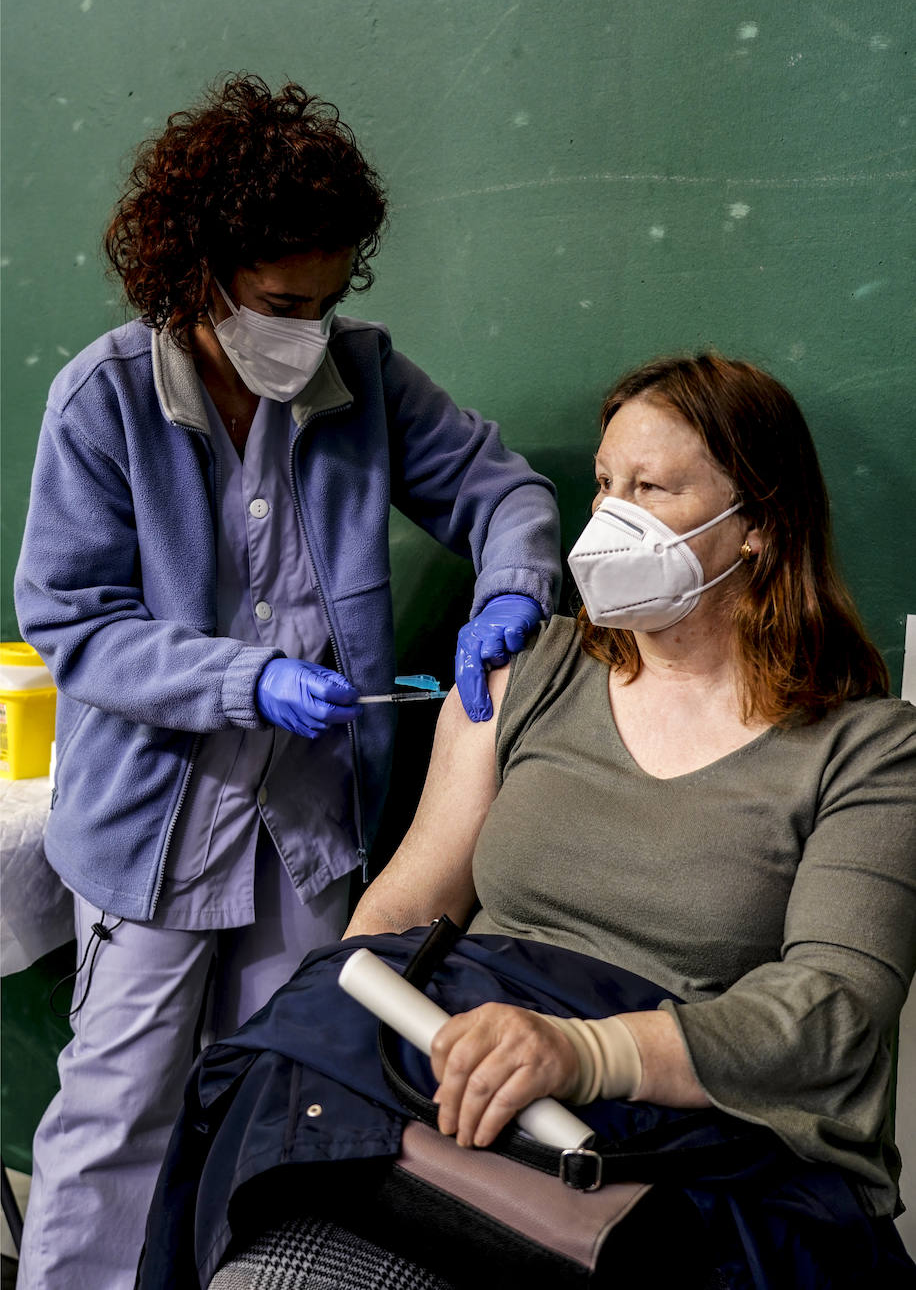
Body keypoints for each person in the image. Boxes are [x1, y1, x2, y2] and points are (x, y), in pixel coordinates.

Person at [140, 352, 916, 1289]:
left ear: (756, 523)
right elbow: (403, 908)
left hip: (668, 1143)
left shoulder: (869, 751)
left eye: (650, 488)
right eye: (602, 486)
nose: (607, 521)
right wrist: (350, 1036)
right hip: (455, 1076)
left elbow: (834, 1012)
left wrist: (583, 1053)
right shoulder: (528, 673)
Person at [12, 73, 561, 1290]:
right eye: (275, 303)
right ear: (194, 271)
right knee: (117, 1123)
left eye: (322, 301)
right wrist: (238, 680)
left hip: (308, 833)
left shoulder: (358, 377)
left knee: (278, 1102)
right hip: (156, 833)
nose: (302, 332)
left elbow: (504, 490)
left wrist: (513, 586)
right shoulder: (102, 402)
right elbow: (74, 622)